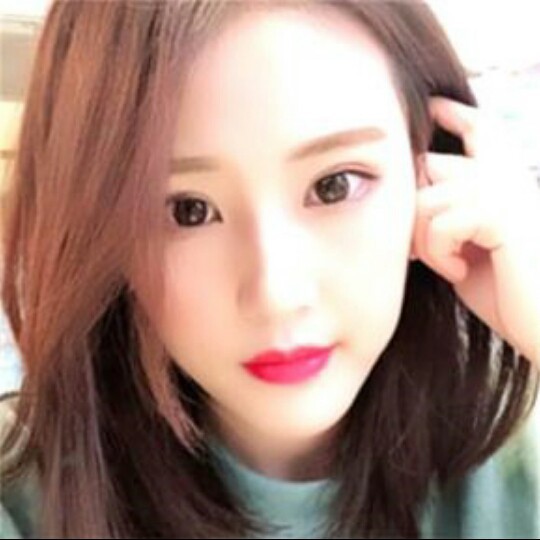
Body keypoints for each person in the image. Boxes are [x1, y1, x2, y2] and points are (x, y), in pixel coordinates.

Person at [1, 1, 539, 538]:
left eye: (334, 185)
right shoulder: (24, 506)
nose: (277, 293)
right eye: (187, 211)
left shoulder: (518, 469)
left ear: (430, 171)